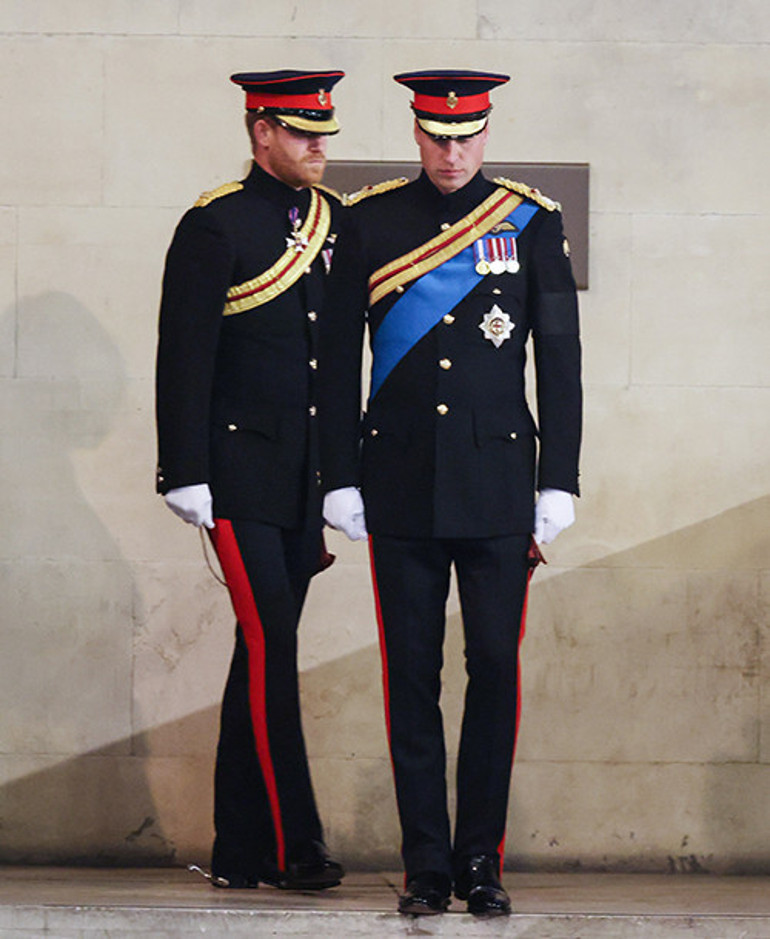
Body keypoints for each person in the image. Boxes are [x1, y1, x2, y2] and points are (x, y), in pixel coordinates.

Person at [319, 69, 582, 916]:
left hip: (500, 488)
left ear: (487, 133)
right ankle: (427, 863)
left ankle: (481, 861)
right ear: (415, 133)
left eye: (465, 136)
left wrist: (559, 480)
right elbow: (332, 364)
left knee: (496, 673)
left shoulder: (532, 222)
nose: (451, 151)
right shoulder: (368, 222)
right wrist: (340, 474)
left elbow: (561, 364)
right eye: (436, 136)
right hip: (398, 483)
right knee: (411, 677)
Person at [155, 69, 346, 891]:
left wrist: (344, 475)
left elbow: (337, 361)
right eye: (301, 130)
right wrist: (183, 468)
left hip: (305, 484)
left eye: (323, 132)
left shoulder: (336, 223)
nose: (317, 146)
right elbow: (184, 353)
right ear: (259, 129)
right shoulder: (214, 224)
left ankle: (241, 847)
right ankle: (297, 839)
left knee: (258, 655)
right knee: (273, 643)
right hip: (234, 475)